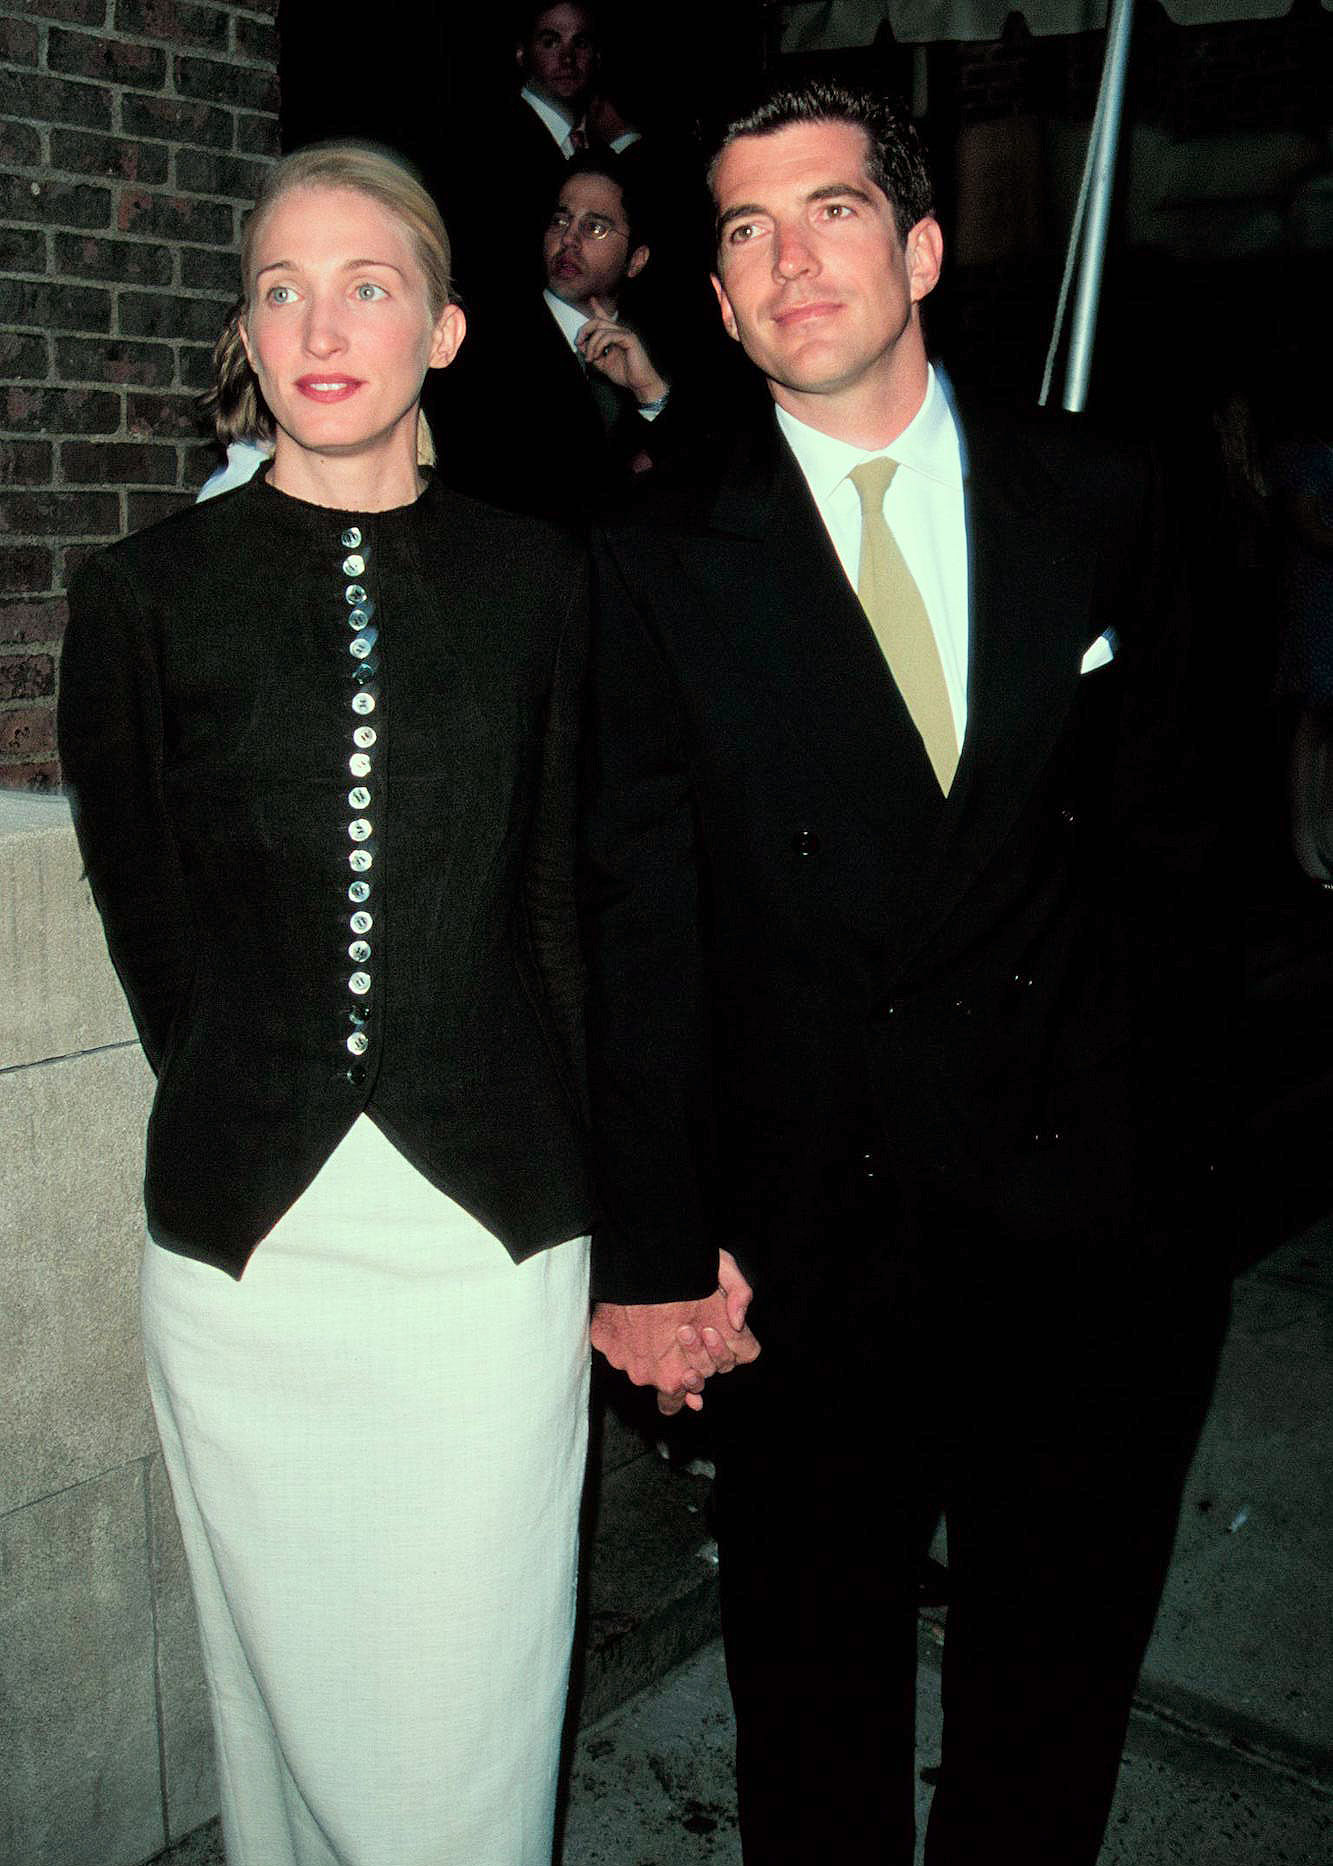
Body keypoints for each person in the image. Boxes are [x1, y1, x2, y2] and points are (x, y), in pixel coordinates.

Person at [581, 78, 1228, 1865]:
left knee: (1049, 1707)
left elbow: (1186, 858)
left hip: (1083, 1231)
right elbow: (631, 918)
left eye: (834, 210)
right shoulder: (648, 564)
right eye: (744, 231)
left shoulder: (1103, 494)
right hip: (807, 1250)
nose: (790, 259)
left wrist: (1173, 1179)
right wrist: (652, 1249)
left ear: (922, 247)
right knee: (813, 1724)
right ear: (717, 304)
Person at [58, 143, 596, 1866]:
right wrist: (261, 1089)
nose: (318, 326)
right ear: (246, 329)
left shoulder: (541, 581)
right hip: (253, 1250)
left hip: (490, 1238)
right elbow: (155, 930)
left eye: (367, 285)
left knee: (460, 1735)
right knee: (281, 1711)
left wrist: (624, 1205)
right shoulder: (140, 598)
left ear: (445, 329)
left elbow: (563, 914)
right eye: (279, 289)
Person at [430, 152, 679, 523]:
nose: (569, 239)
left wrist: (650, 394)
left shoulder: (667, 354)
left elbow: (689, 488)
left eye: (594, 227)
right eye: (561, 220)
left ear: (636, 260)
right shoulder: (481, 341)